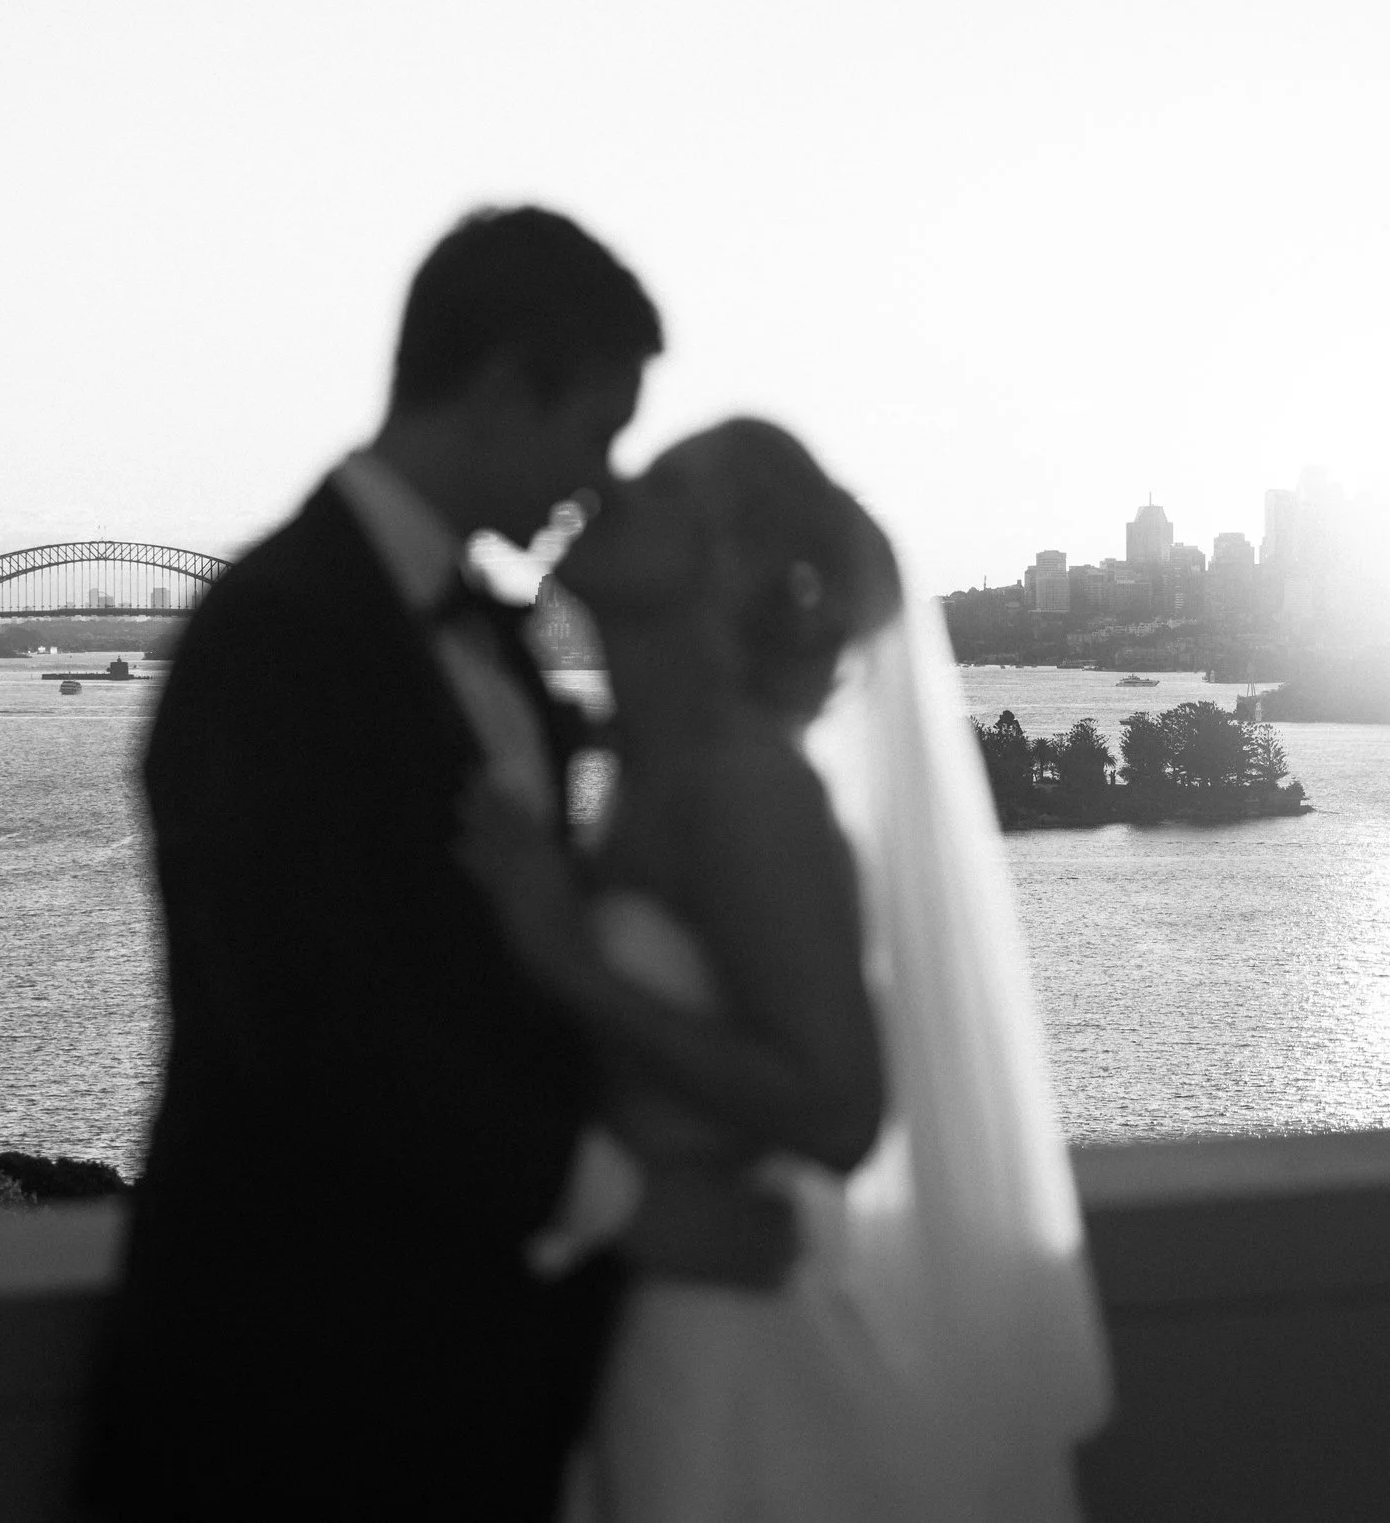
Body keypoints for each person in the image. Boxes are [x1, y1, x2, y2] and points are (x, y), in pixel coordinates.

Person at [78, 208, 797, 1522]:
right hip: (288, 1412)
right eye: (595, 425)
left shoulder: (497, 646)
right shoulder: (273, 637)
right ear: (508, 384)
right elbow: (306, 1019)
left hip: (478, 1413)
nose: (599, 477)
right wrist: (627, 1201)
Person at [458, 418, 1113, 1520]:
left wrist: (570, 963)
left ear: (725, 564)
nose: (611, 484)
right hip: (638, 1308)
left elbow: (839, 1106)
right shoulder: (626, 775)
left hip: (724, 1337)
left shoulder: (747, 789)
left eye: (661, 485)